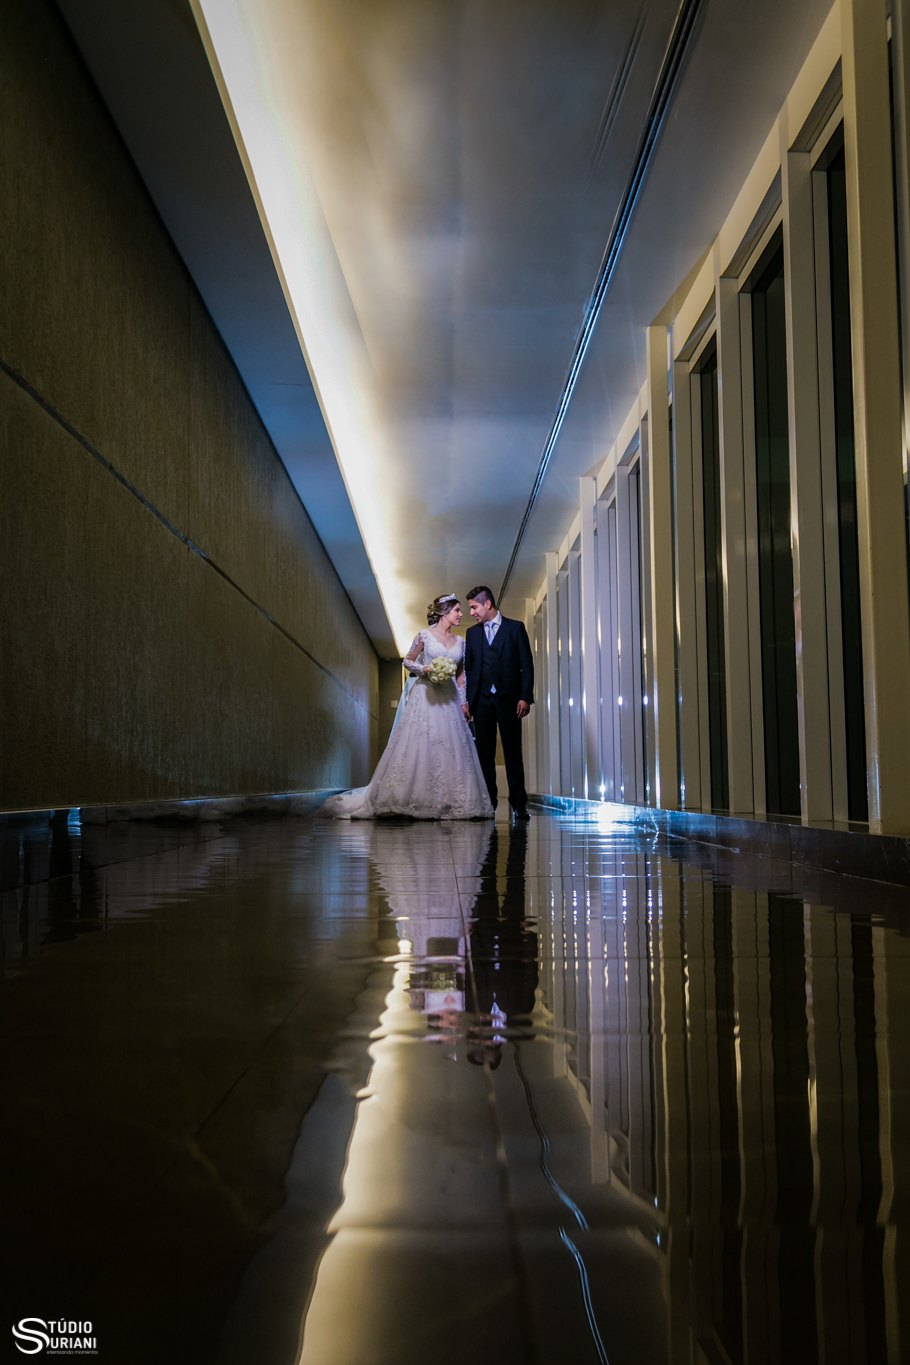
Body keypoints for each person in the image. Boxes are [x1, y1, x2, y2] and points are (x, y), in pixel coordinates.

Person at [321, 594, 494, 820]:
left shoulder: (460, 642)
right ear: (444, 612)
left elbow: (461, 676)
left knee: (451, 746)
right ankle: (412, 798)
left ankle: (450, 800)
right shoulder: (424, 635)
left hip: (449, 698)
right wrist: (425, 670)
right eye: (457, 610)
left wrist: (463, 702)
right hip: (426, 694)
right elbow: (408, 660)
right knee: (421, 742)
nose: (462, 615)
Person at [463, 585, 534, 821]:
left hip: (510, 701)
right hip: (481, 702)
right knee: (484, 755)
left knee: (513, 752)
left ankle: (518, 805)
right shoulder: (472, 634)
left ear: (487, 604)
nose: (471, 612)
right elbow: (470, 668)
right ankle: (488, 804)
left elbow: (526, 664)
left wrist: (525, 696)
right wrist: (469, 701)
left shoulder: (515, 628)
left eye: (474, 607)